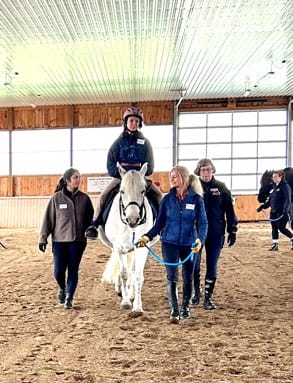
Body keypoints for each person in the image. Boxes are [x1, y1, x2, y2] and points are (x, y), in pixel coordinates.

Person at [136, 166, 207, 324]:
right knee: (172, 277)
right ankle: (174, 310)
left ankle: (185, 307)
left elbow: (203, 223)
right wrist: (147, 237)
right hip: (169, 243)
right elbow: (159, 223)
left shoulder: (196, 200)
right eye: (171, 176)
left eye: (175, 176)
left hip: (190, 244)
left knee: (188, 277)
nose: (172, 179)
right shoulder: (167, 200)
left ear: (184, 177)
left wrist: (200, 240)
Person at [86, 106, 162, 240]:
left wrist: (142, 174)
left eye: (137, 122)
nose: (134, 124)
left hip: (139, 177)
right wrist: (120, 174)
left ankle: (163, 225)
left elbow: (150, 165)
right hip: (122, 177)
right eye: (131, 121)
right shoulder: (118, 142)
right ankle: (95, 224)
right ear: (126, 122)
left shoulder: (145, 143)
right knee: (104, 195)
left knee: (159, 196)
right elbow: (110, 163)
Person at [39, 168, 94, 309]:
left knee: (73, 269)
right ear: (68, 180)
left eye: (79, 177)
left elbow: (90, 221)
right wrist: (43, 238)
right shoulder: (56, 198)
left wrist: (92, 229)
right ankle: (62, 288)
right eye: (76, 177)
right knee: (58, 271)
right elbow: (48, 220)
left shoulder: (85, 199)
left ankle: (69, 297)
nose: (78, 180)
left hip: (78, 241)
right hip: (59, 241)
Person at [192, 159, 238, 310]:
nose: (206, 173)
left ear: (213, 171)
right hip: (196, 233)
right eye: (203, 170)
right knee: (194, 265)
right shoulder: (192, 187)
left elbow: (229, 210)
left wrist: (232, 229)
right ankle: (196, 292)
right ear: (198, 171)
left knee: (212, 266)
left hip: (215, 232)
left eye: (208, 170)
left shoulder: (221, 188)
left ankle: (208, 297)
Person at [257, 170, 293, 251]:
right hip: (274, 210)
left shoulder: (285, 187)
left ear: (281, 177)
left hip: (283, 211)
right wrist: (263, 206)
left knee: (281, 227)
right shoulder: (274, 188)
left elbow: (288, 199)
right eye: (273, 177)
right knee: (274, 228)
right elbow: (270, 201)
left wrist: (285, 210)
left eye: (275, 177)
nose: (274, 179)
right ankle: (275, 244)